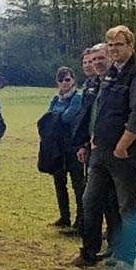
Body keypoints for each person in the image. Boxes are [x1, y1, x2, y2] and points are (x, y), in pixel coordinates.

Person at [73, 25, 136, 270]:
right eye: (111, 45)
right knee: (91, 201)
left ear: (130, 45)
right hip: (100, 152)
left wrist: (123, 145)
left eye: (119, 44)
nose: (114, 49)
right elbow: (102, 111)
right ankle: (89, 252)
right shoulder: (112, 74)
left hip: (124, 154)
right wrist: (92, 140)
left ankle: (125, 258)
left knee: (126, 206)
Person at [71, 44, 119, 251]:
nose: (93, 64)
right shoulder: (92, 86)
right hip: (93, 149)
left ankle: (115, 248)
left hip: (114, 150)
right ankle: (90, 249)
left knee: (113, 201)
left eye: (98, 59)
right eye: (90, 61)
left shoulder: (116, 83)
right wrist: (82, 143)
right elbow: (86, 117)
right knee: (91, 199)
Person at [38, 66, 85, 230]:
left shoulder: (77, 98)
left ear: (73, 80)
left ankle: (81, 219)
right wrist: (56, 116)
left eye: (67, 79)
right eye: (61, 80)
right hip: (56, 147)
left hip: (72, 145)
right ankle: (64, 217)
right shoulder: (55, 98)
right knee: (59, 181)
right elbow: (51, 116)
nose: (64, 83)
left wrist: (54, 117)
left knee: (78, 183)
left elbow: (68, 117)